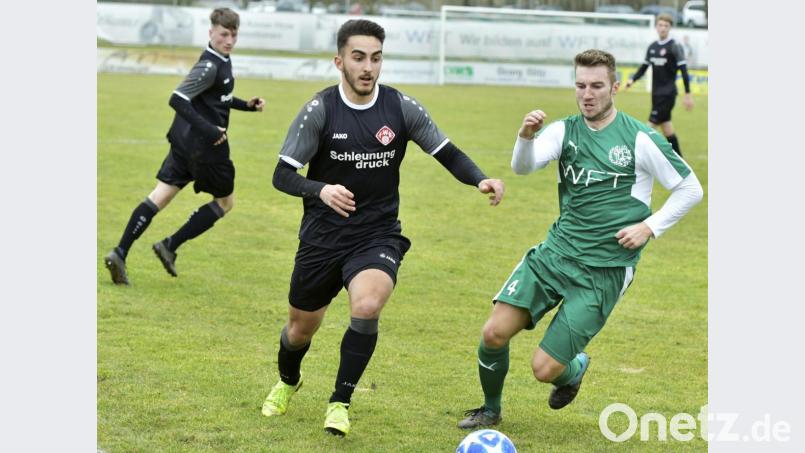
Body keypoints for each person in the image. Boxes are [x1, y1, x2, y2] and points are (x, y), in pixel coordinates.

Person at [261, 19, 505, 437]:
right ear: (339, 61)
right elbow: (282, 175)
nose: (367, 67)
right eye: (358, 57)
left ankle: (340, 401)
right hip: (322, 237)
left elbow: (446, 151)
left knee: (368, 305)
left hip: (377, 234)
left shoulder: (401, 107)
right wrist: (320, 190)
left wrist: (479, 178)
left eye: (375, 58)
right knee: (300, 330)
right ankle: (287, 380)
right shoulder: (319, 110)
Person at [457, 49, 703, 429]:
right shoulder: (564, 130)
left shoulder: (639, 138)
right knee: (493, 333)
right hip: (555, 254)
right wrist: (524, 137)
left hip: (604, 269)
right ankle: (490, 409)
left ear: (615, 87)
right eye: (580, 85)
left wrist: (649, 226)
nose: (587, 94)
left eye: (597, 86)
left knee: (544, 369)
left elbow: (690, 188)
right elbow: (523, 167)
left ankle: (574, 369)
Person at [104, 8, 265, 285]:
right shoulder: (209, 65)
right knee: (225, 203)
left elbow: (218, 97)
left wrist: (245, 106)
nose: (229, 40)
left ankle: (120, 252)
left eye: (233, 35)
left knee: (160, 196)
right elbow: (177, 99)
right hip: (207, 148)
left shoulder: (220, 61)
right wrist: (211, 130)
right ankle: (170, 244)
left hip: (184, 143)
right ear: (211, 32)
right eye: (224, 34)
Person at [623, 13, 693, 156]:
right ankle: (680, 160)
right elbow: (644, 67)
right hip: (655, 94)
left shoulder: (675, 46)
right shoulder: (652, 47)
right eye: (660, 25)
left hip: (667, 95)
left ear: (670, 28)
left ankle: (633, 156)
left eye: (666, 26)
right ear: (656, 27)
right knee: (667, 128)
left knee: (647, 129)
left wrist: (687, 93)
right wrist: (632, 80)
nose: (663, 28)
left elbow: (684, 71)